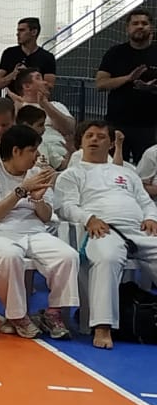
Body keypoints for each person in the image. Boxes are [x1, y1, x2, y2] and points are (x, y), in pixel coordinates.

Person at [54, 119, 157, 349]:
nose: (94, 140)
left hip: (139, 230)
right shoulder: (72, 174)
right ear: (81, 141)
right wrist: (88, 219)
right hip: (102, 229)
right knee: (107, 258)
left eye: (101, 137)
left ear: (111, 144)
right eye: (89, 136)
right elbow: (66, 206)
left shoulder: (126, 173)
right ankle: (102, 327)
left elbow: (145, 201)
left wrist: (152, 218)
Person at [0, 124, 76, 339]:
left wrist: (38, 200)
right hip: (0, 232)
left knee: (68, 256)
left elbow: (46, 216)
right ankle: (18, 316)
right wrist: (23, 190)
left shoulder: (37, 173)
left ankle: (53, 312)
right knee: (10, 256)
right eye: (32, 150)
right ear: (16, 151)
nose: (37, 156)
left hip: (35, 231)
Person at [95, 7, 157, 164]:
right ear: (127, 28)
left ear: (151, 28)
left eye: (144, 23)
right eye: (135, 23)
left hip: (150, 126)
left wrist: (151, 88)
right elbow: (101, 84)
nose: (140, 26)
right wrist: (128, 78)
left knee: (145, 171)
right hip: (117, 123)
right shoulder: (115, 53)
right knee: (112, 168)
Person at [0, 17, 57, 93]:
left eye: (22, 30)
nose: (17, 34)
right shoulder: (9, 53)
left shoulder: (47, 57)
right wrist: (13, 74)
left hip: (35, 103)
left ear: (34, 32)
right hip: (12, 101)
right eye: (18, 30)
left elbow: (49, 88)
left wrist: (28, 76)